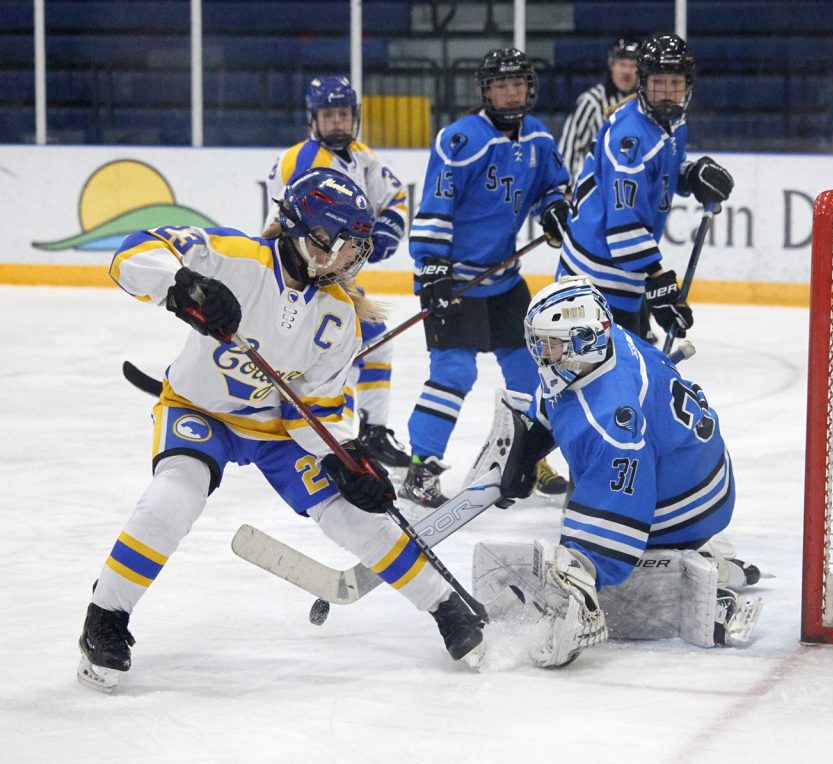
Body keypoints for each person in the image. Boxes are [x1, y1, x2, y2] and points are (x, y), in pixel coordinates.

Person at [77, 168, 484, 692]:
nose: (347, 258)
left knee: (352, 516)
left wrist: (345, 459)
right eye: (341, 243)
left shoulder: (338, 315)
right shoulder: (235, 258)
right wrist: (183, 288)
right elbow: (131, 253)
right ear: (304, 232)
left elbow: (315, 406)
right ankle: (106, 617)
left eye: (355, 248)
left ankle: (446, 607)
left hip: (277, 430)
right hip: (198, 410)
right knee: (173, 499)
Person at [501, 276, 760, 667]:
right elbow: (562, 395)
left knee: (590, 551)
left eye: (552, 344)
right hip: (704, 470)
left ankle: (684, 562)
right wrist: (534, 437)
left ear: (583, 341)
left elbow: (623, 500)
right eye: (540, 342)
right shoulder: (613, 338)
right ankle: (689, 552)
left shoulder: (611, 419)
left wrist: (584, 568)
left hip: (689, 504)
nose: (543, 354)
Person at [401, 47, 572, 508]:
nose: (510, 92)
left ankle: (530, 455)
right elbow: (435, 206)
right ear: (485, 91)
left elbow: (552, 188)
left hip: (505, 280)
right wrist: (433, 267)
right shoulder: (460, 140)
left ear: (529, 88)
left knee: (531, 370)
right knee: (453, 372)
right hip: (455, 280)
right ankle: (420, 468)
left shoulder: (539, 138)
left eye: (517, 83)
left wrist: (554, 210)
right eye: (501, 85)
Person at [265, 75, 411, 469]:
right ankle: (336, 437)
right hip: (300, 275)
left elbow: (396, 196)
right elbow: (282, 226)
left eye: (343, 113)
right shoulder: (300, 160)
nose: (337, 122)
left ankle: (370, 432)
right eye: (329, 115)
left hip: (335, 276)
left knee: (373, 341)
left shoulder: (362, 157)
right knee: (334, 354)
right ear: (313, 118)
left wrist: (389, 227)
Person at [557, 33, 734, 341]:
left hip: (623, 275)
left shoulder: (673, 123)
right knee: (608, 368)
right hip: (595, 278)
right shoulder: (628, 139)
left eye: (675, 83)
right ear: (643, 83)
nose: (667, 92)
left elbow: (660, 174)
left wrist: (690, 175)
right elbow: (624, 226)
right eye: (658, 82)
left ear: (688, 85)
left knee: (637, 362)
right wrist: (659, 281)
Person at [558, 37, 640, 186]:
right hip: (594, 188)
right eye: (622, 64)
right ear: (611, 66)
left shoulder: (644, 105)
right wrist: (566, 188)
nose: (627, 71)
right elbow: (569, 148)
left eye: (633, 66)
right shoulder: (592, 101)